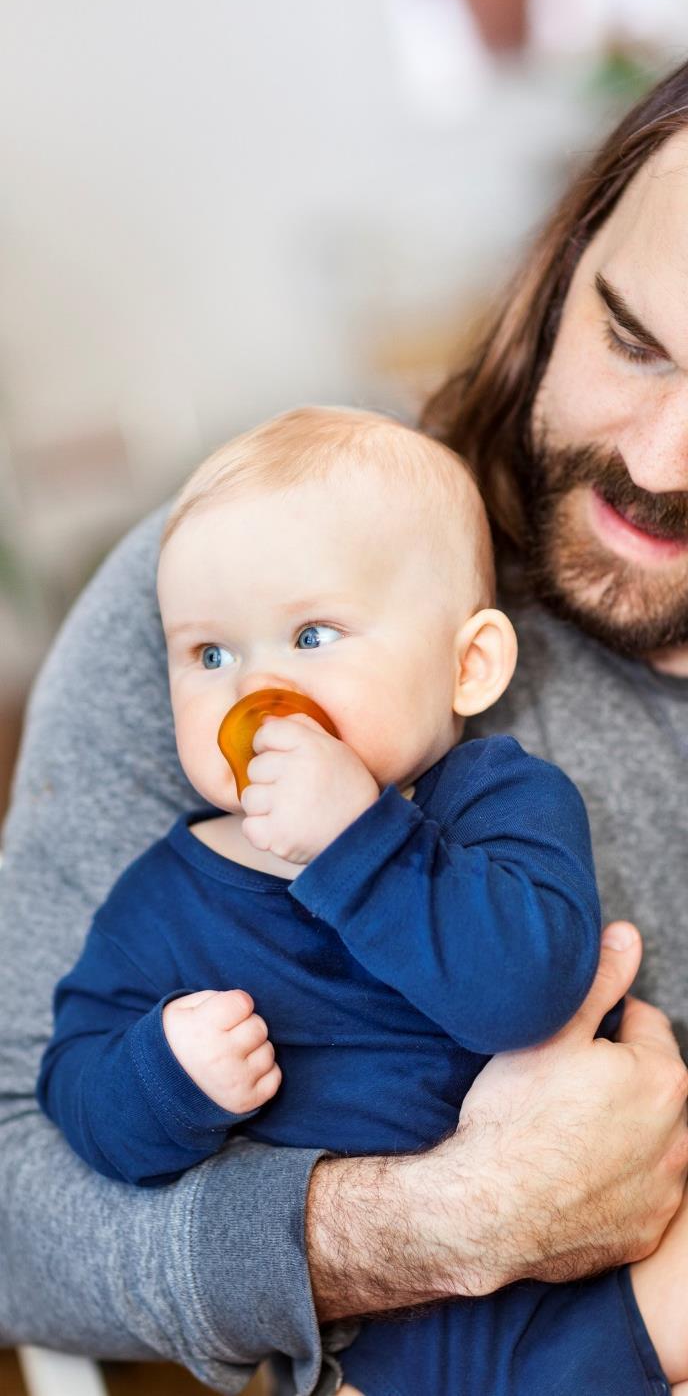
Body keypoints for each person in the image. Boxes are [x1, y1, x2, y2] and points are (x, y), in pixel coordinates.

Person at [2, 61, 688, 1396]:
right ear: (558, 280)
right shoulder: (267, 561)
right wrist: (435, 1223)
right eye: (631, 340)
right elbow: (20, 1196)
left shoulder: (491, 796)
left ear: (468, 665)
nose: (660, 462)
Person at [40, 404, 644, 1395]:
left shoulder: (504, 804)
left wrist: (354, 841)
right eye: (209, 655)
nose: (252, 689)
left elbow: (523, 994)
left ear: (468, 665)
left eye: (312, 634)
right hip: (377, 1348)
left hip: (596, 1291)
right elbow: (75, 1087)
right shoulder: (166, 894)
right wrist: (163, 1078)